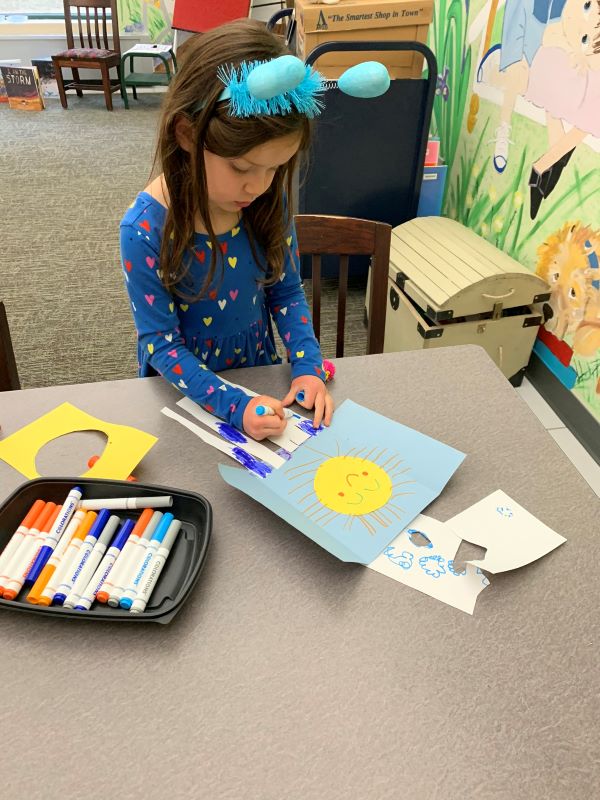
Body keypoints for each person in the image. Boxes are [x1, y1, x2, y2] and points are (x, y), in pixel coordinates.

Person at [120, 19, 334, 441]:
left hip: (260, 378)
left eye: (275, 168)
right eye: (241, 167)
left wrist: (308, 365)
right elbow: (161, 345)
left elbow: (286, 291)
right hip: (186, 397)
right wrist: (233, 405)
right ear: (185, 134)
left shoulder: (265, 201)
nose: (258, 185)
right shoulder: (144, 230)